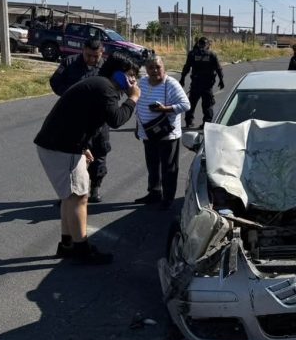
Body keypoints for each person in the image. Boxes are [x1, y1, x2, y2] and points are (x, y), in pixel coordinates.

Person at [34, 50, 141, 264]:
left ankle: (67, 244)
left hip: (59, 145)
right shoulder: (106, 88)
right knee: (79, 197)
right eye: (130, 75)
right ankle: (82, 250)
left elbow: (83, 119)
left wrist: (83, 147)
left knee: (69, 196)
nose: (133, 80)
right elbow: (116, 119)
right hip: (63, 148)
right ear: (119, 75)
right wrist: (133, 98)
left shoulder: (99, 84)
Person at [49, 38, 110, 203]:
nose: (91, 59)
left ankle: (95, 188)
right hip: (73, 119)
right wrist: (69, 96)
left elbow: (116, 90)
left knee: (99, 152)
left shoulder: (107, 67)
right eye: (88, 55)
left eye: (95, 56)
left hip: (98, 120)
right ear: (83, 50)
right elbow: (55, 82)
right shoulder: (69, 62)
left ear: (101, 53)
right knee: (71, 156)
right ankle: (67, 192)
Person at [134, 55, 191, 210]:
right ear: (146, 69)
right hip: (148, 133)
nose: (154, 70)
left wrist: (165, 109)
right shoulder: (143, 82)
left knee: (168, 168)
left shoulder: (171, 83)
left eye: (158, 67)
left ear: (164, 68)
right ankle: (154, 193)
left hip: (167, 135)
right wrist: (137, 126)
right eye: (151, 67)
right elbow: (139, 104)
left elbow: (186, 105)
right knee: (152, 165)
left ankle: (168, 198)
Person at [179, 36, 224, 129]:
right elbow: (218, 68)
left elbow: (186, 67)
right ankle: (206, 123)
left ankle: (189, 121)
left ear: (198, 44)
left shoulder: (192, 54)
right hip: (207, 85)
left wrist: (182, 78)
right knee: (207, 104)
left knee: (192, 102)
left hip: (196, 83)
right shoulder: (212, 54)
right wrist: (221, 80)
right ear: (207, 45)